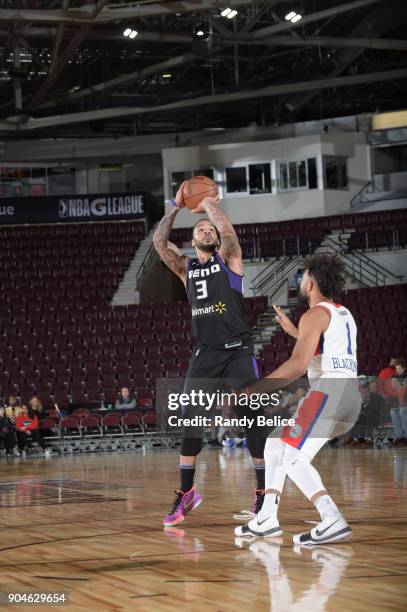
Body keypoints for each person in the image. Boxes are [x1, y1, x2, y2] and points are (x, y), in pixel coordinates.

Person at [153, 183, 267, 527]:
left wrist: (209, 206)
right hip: (206, 354)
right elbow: (160, 243)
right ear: (192, 241)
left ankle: (262, 493)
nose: (206, 229)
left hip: (238, 349)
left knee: (252, 417)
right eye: (200, 228)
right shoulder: (186, 269)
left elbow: (229, 235)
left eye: (210, 229)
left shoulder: (230, 260)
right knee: (191, 421)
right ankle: (187, 493)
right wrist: (174, 207)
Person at [235, 253, 361, 545]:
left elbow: (298, 366)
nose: (301, 281)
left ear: (312, 282)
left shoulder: (314, 314)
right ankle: (267, 516)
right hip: (349, 396)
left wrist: (254, 389)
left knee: (292, 456)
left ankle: (331, 518)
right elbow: (324, 359)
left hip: (328, 394)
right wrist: (295, 331)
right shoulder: (343, 314)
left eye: (303, 276)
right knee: (276, 443)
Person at [389, 376, 407, 445]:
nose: (393, 383)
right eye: (391, 382)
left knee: (402, 410)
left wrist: (403, 405)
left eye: (394, 381)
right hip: (400, 410)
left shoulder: (405, 389)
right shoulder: (394, 394)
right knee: (393, 412)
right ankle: (399, 436)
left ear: (399, 382)